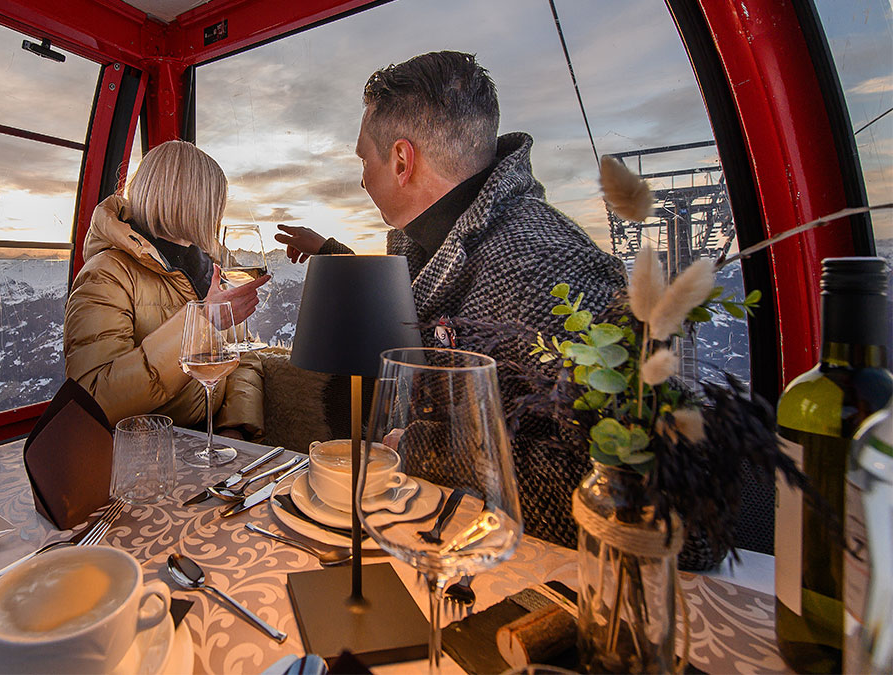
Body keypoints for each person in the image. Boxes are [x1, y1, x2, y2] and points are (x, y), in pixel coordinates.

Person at [277, 51, 679, 562]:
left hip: (514, 567)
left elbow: (643, 498)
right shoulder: (421, 240)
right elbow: (407, 301)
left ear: (401, 161)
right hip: (427, 537)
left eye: (363, 160)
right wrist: (332, 255)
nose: (361, 178)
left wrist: (422, 452)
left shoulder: (548, 266)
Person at [64, 140, 270, 439]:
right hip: (143, 448)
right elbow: (94, 397)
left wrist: (235, 426)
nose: (217, 213)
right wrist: (202, 323)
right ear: (194, 202)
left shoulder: (213, 267)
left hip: (207, 442)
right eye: (214, 201)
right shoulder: (107, 273)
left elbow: (243, 357)